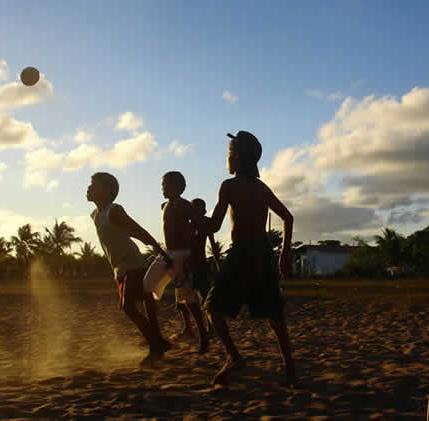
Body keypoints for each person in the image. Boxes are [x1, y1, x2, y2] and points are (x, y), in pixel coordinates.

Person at [204, 131, 297, 385]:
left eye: (229, 153)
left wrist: (195, 218)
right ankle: (290, 369)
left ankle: (234, 357)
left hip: (243, 254)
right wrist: (283, 254)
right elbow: (288, 218)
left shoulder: (229, 186)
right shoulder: (261, 188)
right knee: (274, 315)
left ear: (238, 158)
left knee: (212, 308)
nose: (227, 158)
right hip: (263, 254)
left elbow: (214, 225)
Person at [87, 172, 171, 364]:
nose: (89, 188)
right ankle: (157, 342)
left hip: (133, 263)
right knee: (137, 305)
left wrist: (162, 252)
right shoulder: (95, 215)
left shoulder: (114, 211)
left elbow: (138, 231)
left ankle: (156, 344)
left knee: (129, 308)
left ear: (108, 191)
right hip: (119, 268)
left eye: (94, 184)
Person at [144, 171, 209, 354]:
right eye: (162, 184)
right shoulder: (164, 205)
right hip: (167, 254)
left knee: (187, 297)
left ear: (179, 187)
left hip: (182, 255)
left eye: (167, 184)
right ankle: (155, 335)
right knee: (146, 285)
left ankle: (202, 333)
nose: (163, 188)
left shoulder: (186, 206)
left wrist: (191, 256)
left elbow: (200, 226)